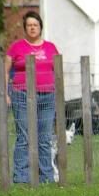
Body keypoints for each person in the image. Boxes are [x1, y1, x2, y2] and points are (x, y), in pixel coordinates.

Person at [5, 11, 60, 183]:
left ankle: (47, 177)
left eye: (35, 25)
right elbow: (4, 71)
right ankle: (21, 178)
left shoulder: (51, 48)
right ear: (25, 28)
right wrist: (5, 93)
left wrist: (58, 92)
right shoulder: (16, 47)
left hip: (47, 96)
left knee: (44, 138)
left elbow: (58, 71)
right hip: (22, 95)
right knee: (24, 137)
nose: (32, 28)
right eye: (29, 25)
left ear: (40, 27)